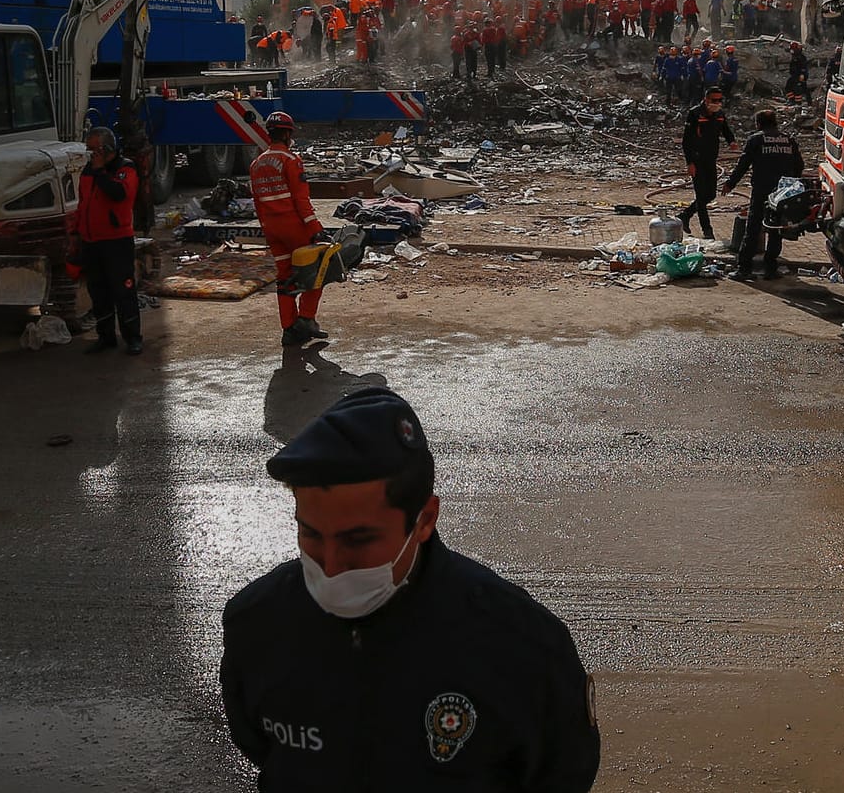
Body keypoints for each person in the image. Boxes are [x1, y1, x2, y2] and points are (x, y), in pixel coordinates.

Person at [220, 386, 601, 791]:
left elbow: (562, 774)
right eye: (310, 534)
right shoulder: (257, 624)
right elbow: (257, 743)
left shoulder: (521, 646)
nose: (330, 566)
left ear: (424, 521)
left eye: (358, 540)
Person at [250, 111, 330, 346]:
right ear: (287, 133)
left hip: (272, 229)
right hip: (295, 228)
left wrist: (266, 227)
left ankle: (289, 329)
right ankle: (306, 320)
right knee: (316, 273)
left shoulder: (256, 164)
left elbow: (257, 202)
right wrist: (315, 228)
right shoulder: (291, 161)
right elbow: (301, 200)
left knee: (285, 278)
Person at [75, 126, 143, 355]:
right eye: (89, 150)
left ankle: (133, 337)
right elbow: (83, 203)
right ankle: (105, 336)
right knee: (98, 291)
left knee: (123, 291)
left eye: (94, 149)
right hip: (91, 240)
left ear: (106, 149)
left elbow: (120, 194)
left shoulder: (125, 169)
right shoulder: (88, 171)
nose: (90, 154)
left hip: (116, 241)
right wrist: (75, 234)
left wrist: (101, 172)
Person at [723, 109, 805, 281]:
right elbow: (799, 165)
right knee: (775, 229)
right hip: (782, 192)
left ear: (758, 124)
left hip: (762, 190)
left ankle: (744, 269)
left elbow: (743, 165)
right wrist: (791, 183)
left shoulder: (756, 140)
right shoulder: (789, 140)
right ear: (775, 122)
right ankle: (770, 268)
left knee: (753, 228)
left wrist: (730, 183)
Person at [677, 87, 736, 239]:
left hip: (711, 159)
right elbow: (686, 141)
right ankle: (707, 230)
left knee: (710, 195)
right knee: (701, 196)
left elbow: (725, 130)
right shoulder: (695, 114)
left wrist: (732, 142)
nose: (717, 103)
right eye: (714, 100)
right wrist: (690, 163)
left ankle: (685, 215)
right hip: (697, 160)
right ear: (706, 99)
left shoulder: (720, 115)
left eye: (719, 100)